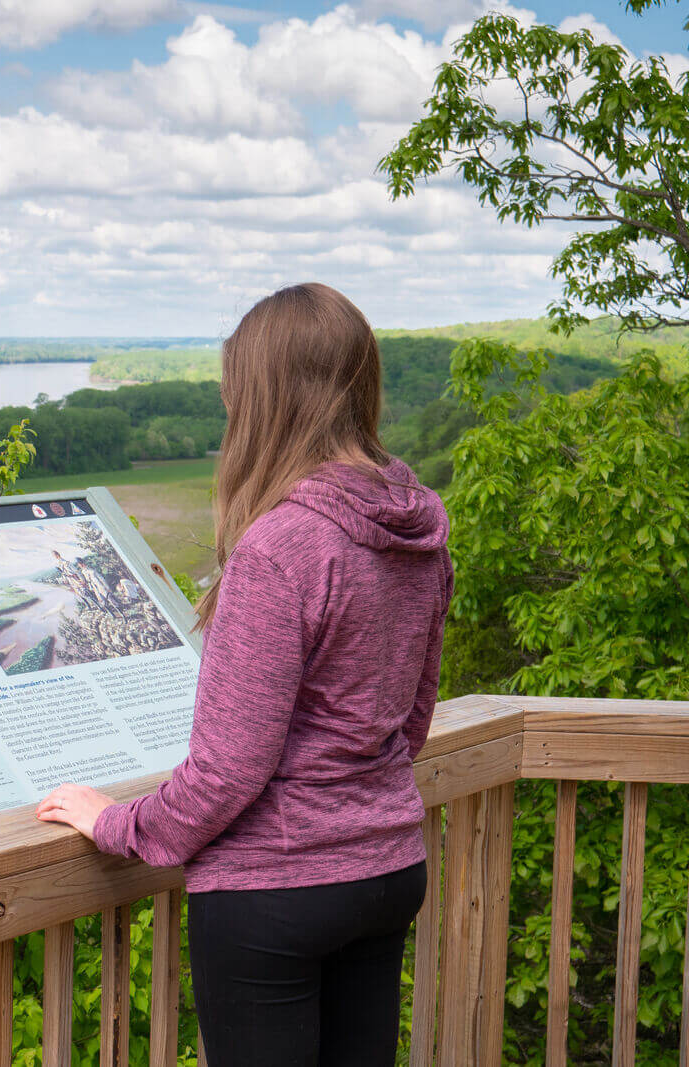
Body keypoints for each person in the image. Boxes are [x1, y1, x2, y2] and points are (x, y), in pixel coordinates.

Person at [35, 282, 452, 1067]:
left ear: (261, 400)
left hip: (275, 896)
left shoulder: (283, 546)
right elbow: (413, 720)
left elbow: (230, 768)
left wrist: (117, 822)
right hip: (388, 869)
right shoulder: (420, 529)